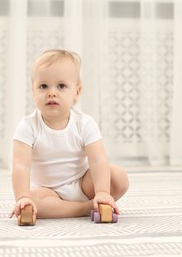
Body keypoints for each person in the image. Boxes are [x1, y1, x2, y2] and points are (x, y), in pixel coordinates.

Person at [9, 49, 129, 221]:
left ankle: (95, 200)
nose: (52, 92)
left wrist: (102, 192)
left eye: (61, 86)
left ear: (76, 93)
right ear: (33, 92)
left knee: (119, 177)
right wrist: (23, 197)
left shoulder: (85, 123)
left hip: (83, 184)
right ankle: (85, 208)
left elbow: (98, 161)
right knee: (34, 201)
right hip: (50, 191)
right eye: (43, 86)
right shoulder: (27, 126)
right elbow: (21, 166)